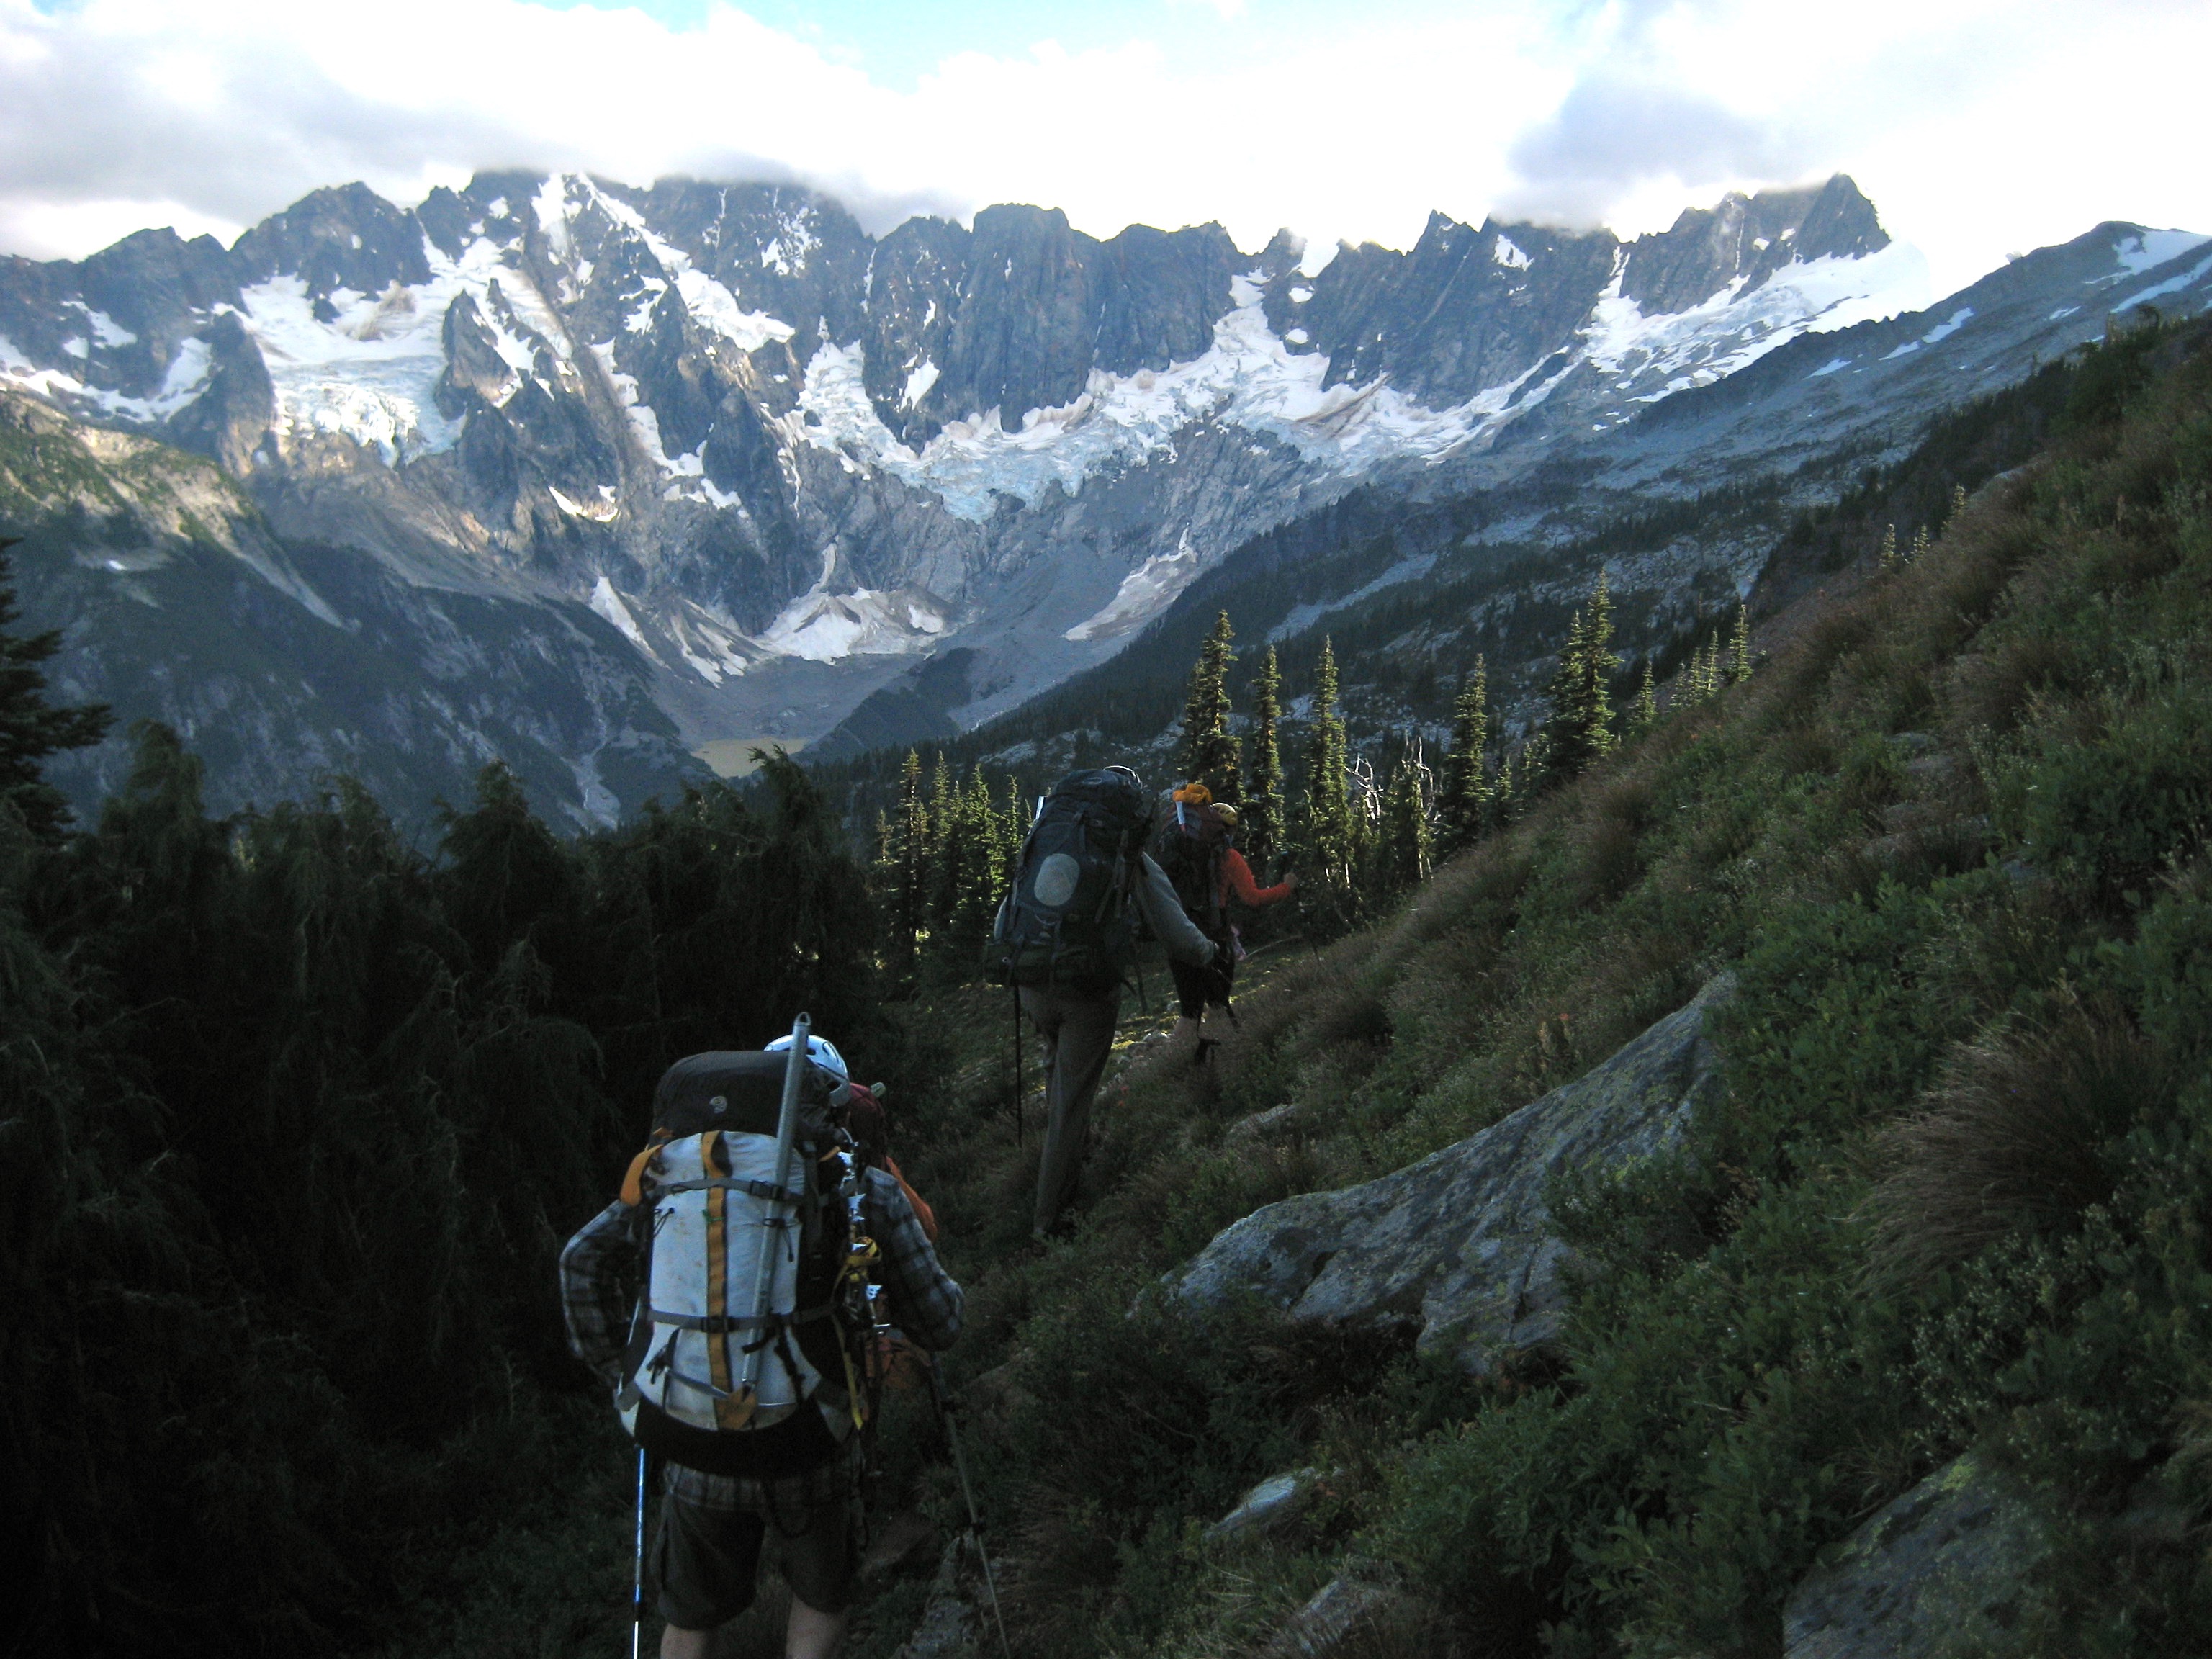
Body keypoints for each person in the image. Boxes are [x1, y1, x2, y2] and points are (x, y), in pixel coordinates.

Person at [560, 1033, 963, 1659]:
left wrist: (621, 1366)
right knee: (821, 1598)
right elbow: (941, 1323)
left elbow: (580, 1260)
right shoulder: (857, 1186)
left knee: (690, 1619)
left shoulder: (671, 1180)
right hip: (808, 1437)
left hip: (690, 1432)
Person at [999, 766, 1221, 1238]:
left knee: (1057, 1072)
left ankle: (1063, 1165)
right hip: (1087, 992)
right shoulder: (1126, 852)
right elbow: (1174, 931)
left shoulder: (1051, 835)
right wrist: (1210, 953)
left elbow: (1012, 903)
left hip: (1032, 977)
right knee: (1071, 1104)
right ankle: (1049, 1222)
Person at [1156, 788, 1297, 1060]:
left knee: (1189, 1011)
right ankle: (1228, 1060)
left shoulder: (1180, 850)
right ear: (1228, 830)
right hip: (1214, 937)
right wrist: (1286, 888)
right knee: (1218, 1006)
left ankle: (1171, 1066)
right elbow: (1253, 898)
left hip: (1180, 933)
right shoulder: (1230, 857)